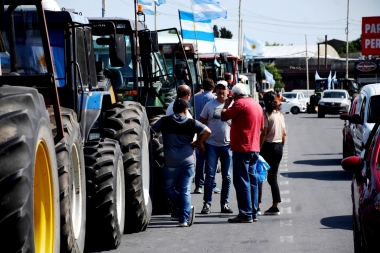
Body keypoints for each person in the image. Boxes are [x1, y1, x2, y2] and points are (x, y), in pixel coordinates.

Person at [151, 98, 211, 227]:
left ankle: (186, 208)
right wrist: (197, 142)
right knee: (185, 190)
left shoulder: (164, 121)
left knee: (168, 188)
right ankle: (184, 219)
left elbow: (152, 130)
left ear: (173, 109)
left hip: (171, 162)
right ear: (185, 110)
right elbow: (207, 131)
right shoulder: (191, 123)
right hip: (188, 161)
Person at [221, 83, 264, 223]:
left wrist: (227, 104)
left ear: (234, 95)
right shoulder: (256, 105)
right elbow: (262, 126)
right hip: (254, 147)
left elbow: (223, 116)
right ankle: (253, 212)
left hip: (242, 147)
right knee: (252, 181)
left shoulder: (239, 103)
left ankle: (245, 213)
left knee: (241, 181)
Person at [199, 80, 233, 214]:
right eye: (218, 88)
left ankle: (225, 204)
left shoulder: (233, 106)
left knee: (227, 177)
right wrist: (200, 142)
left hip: (228, 146)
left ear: (227, 90)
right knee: (210, 176)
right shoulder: (209, 105)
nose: (221, 91)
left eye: (223, 88)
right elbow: (201, 124)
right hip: (211, 145)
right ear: (215, 90)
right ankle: (207, 204)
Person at [259, 91, 287, 215]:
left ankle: (257, 205)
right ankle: (275, 205)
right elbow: (284, 134)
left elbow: (264, 133)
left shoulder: (266, 115)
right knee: (273, 178)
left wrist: (258, 148)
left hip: (267, 146)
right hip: (278, 147)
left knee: (259, 175)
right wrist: (281, 146)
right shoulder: (280, 114)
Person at [193, 78, 220, 194]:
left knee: (199, 160)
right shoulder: (214, 99)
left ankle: (198, 185)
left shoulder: (195, 97)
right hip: (210, 132)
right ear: (213, 88)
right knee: (211, 161)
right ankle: (212, 185)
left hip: (197, 131)